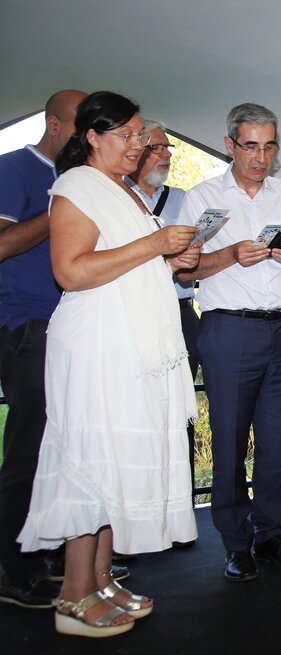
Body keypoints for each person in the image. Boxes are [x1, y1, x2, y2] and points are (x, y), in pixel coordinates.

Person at [17, 91, 200, 636]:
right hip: (98, 345)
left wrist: (172, 258)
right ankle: (73, 597)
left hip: (129, 344)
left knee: (113, 466)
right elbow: (71, 271)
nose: (137, 144)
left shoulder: (122, 189)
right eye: (126, 135)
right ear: (92, 137)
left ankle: (100, 581)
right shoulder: (76, 185)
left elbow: (131, 263)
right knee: (92, 466)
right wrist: (155, 245)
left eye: (140, 134)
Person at [176, 103, 281, 581]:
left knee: (279, 443)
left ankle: (270, 533)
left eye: (269, 146)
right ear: (230, 145)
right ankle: (236, 543)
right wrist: (233, 254)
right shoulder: (201, 198)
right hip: (230, 329)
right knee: (231, 441)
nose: (261, 157)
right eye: (251, 146)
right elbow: (186, 270)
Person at [0, 89, 85, 610]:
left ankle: (53, 555)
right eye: (81, 123)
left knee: (68, 450)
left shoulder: (81, 178)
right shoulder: (14, 168)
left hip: (74, 326)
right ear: (54, 125)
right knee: (29, 449)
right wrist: (59, 209)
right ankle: (13, 568)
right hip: (28, 325)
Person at [126, 119, 199, 491]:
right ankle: (139, 497)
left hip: (182, 314)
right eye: (156, 147)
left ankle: (180, 498)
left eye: (168, 148)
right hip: (134, 317)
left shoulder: (185, 199)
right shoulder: (117, 197)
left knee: (182, 411)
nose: (165, 155)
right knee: (138, 411)